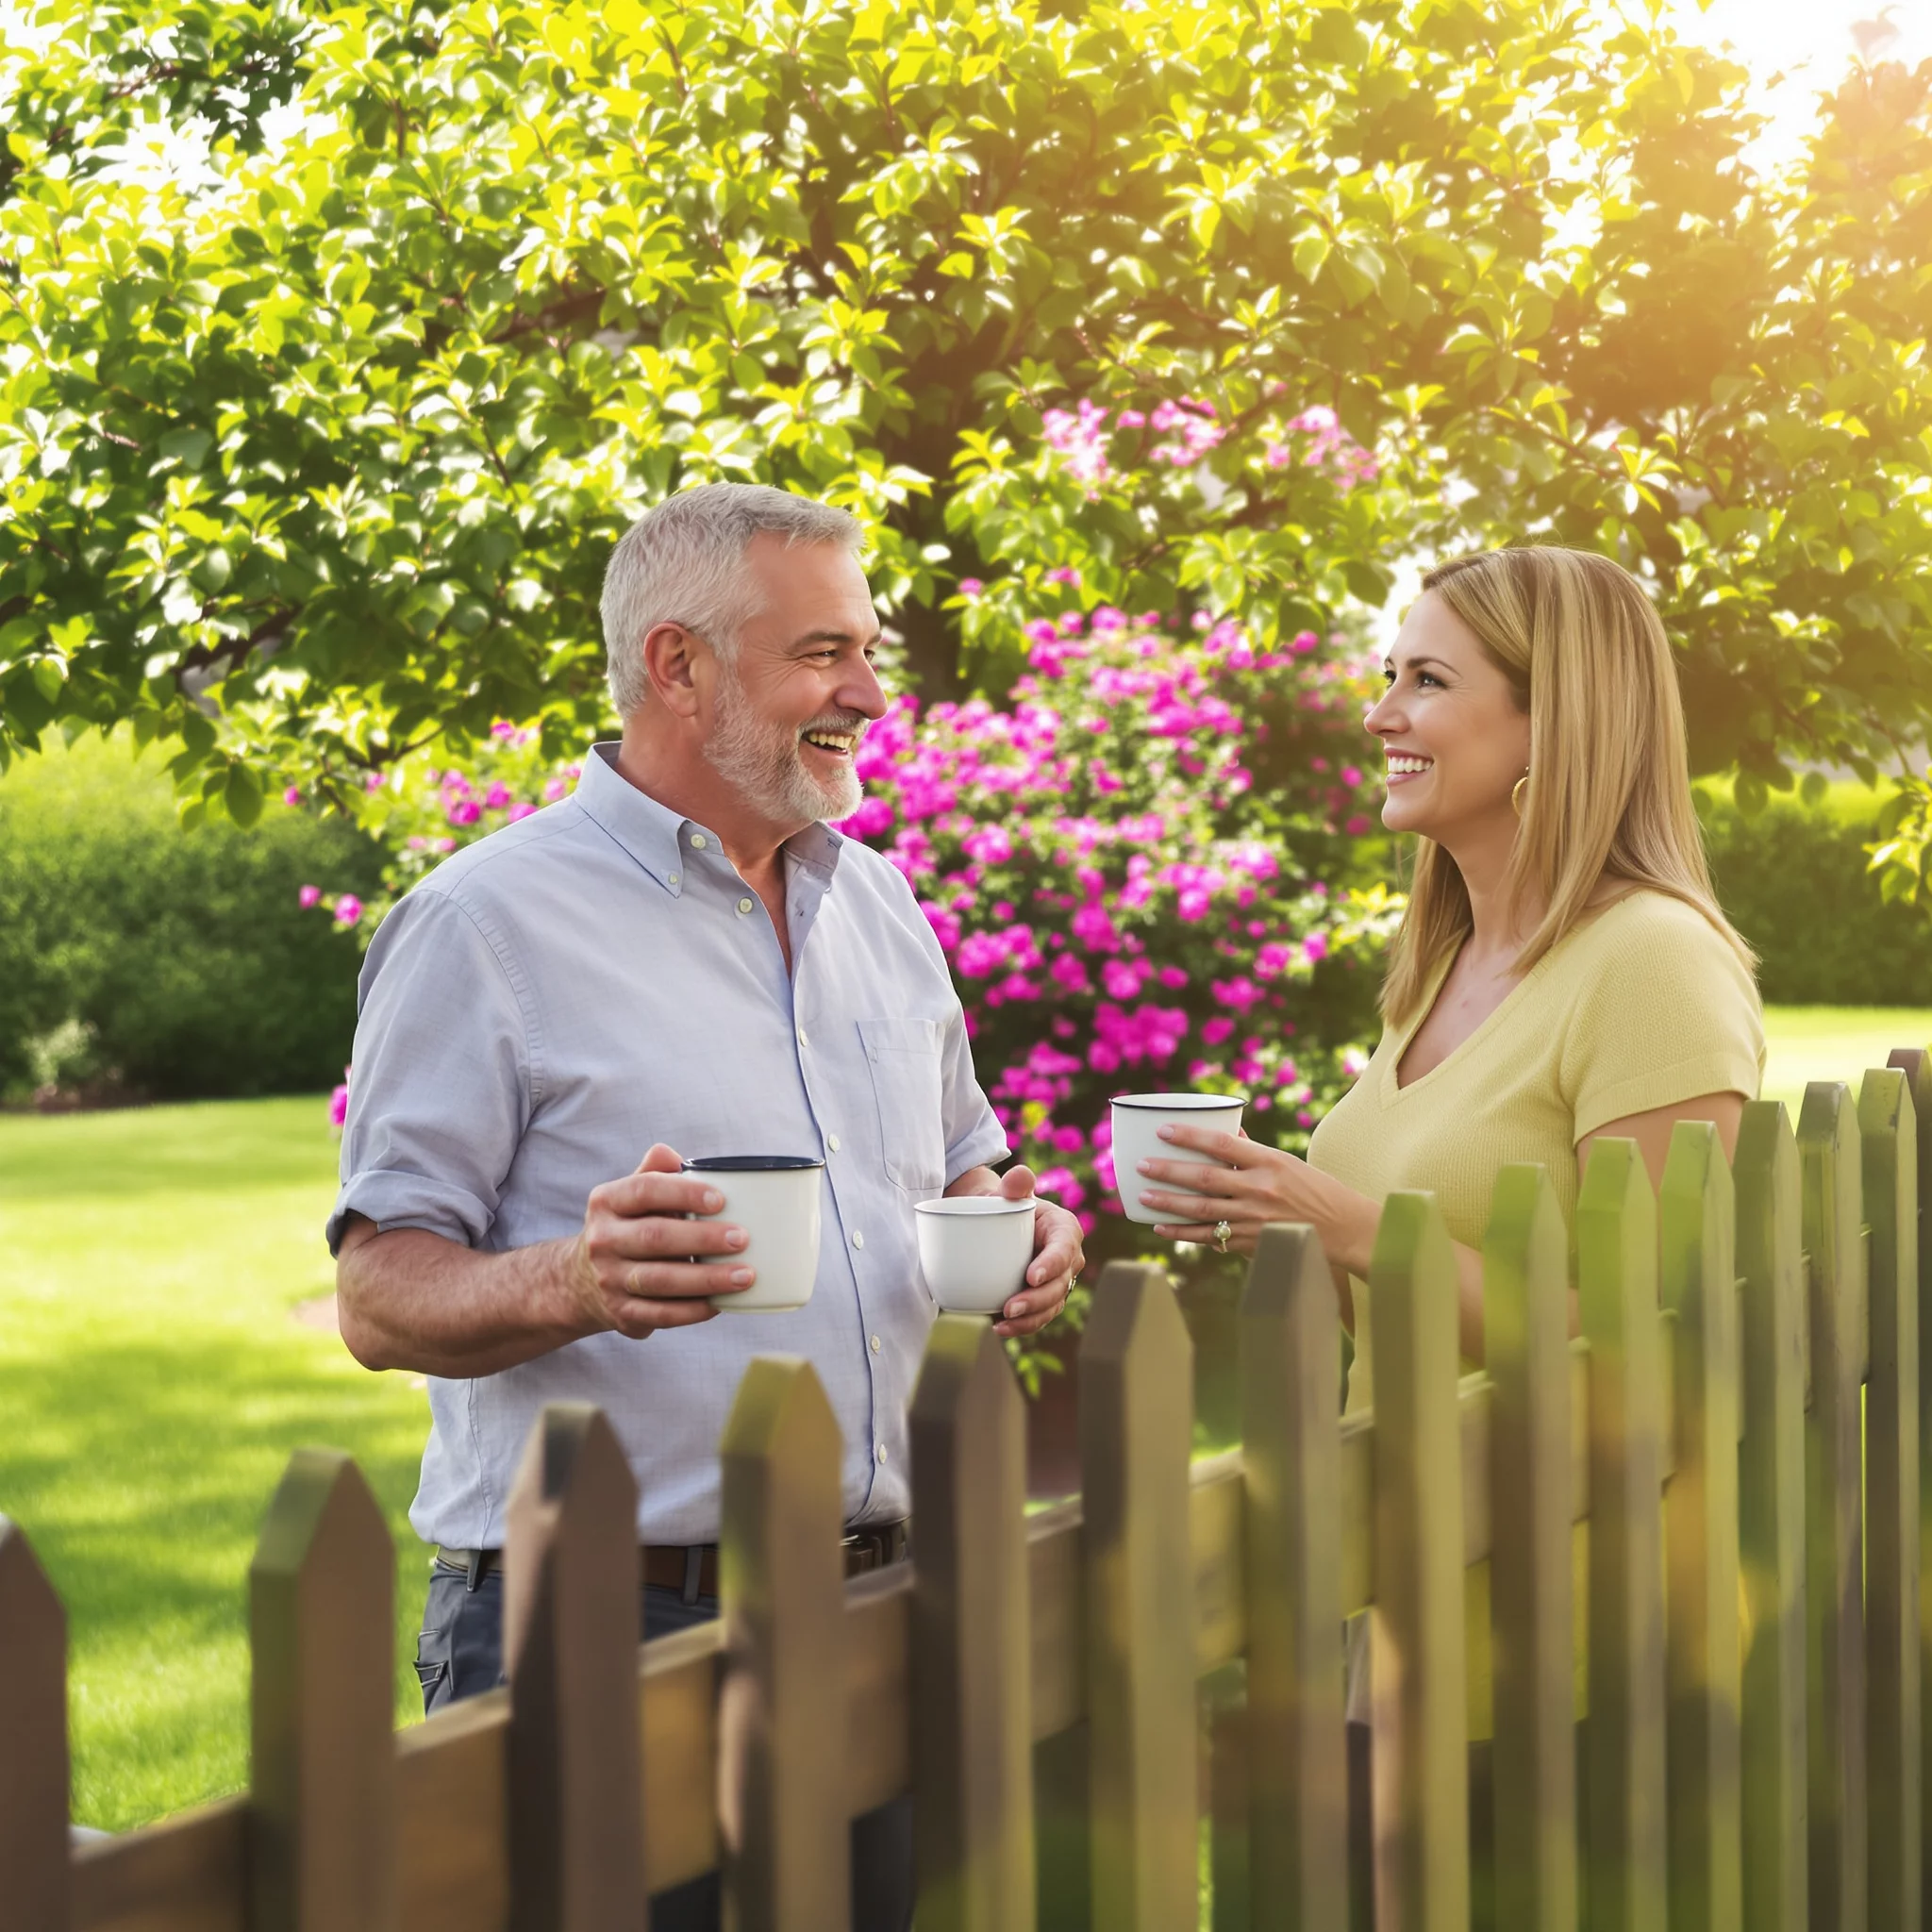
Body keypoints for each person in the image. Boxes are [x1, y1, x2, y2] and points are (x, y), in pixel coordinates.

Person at [329, 483, 1084, 1932]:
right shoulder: (483, 924)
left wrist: (1019, 1224)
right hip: (606, 1627)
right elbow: (378, 1291)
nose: (867, 692)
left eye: (867, 651)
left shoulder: (881, 908)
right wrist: (574, 1281)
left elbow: (963, 1165)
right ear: (677, 666)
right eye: (822, 654)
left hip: (876, 1611)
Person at [1128, 544, 1762, 1911]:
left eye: (1426, 680)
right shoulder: (1446, 963)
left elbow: (1637, 1348)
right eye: (1388, 675)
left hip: (1565, 1634)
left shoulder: (1651, 963)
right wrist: (1286, 1221)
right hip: (1411, 1595)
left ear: (1555, 721)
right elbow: (1424, 1265)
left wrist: (1333, 1215)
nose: (1381, 714)